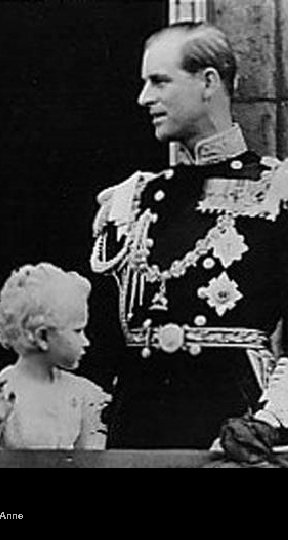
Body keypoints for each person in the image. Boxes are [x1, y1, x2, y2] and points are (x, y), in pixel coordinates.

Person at [88, 22, 288, 449]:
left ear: (208, 82)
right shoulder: (133, 199)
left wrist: (271, 420)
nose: (144, 98)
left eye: (159, 81)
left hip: (234, 435)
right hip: (136, 435)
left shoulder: (276, 191)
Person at [0, 263, 110, 449]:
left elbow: (90, 457)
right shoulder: (2, 394)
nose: (86, 342)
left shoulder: (81, 394)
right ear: (42, 336)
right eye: (77, 331)